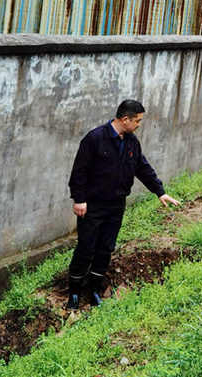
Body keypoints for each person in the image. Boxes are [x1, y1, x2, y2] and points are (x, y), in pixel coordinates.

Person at [67, 99, 180, 309]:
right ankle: (73, 292)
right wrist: (79, 199)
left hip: (116, 205)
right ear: (125, 119)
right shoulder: (94, 139)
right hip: (93, 205)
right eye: (137, 121)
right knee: (86, 247)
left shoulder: (131, 143)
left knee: (106, 247)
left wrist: (160, 192)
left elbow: (143, 168)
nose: (138, 125)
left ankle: (94, 288)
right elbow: (79, 172)